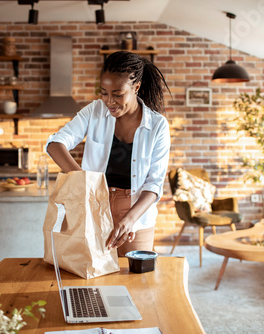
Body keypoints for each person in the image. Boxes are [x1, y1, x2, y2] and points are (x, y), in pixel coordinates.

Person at [45, 51, 171, 256]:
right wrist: (83, 181)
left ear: (136, 87)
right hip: (93, 204)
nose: (109, 101)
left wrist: (130, 219)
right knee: (88, 275)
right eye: (104, 92)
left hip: (136, 212)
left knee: (134, 280)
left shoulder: (157, 125)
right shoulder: (94, 111)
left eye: (118, 94)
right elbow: (55, 144)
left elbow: (154, 184)